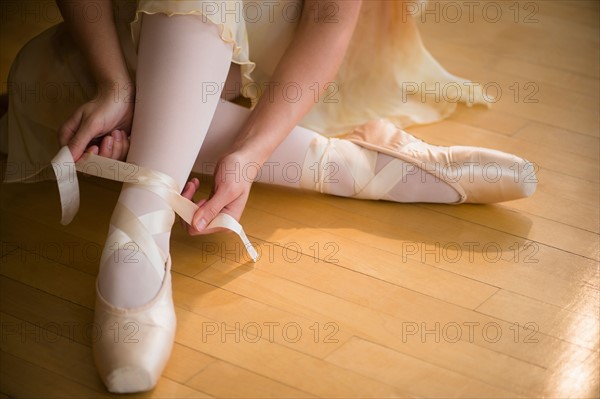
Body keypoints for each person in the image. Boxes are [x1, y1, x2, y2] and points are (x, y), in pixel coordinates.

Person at [1, 0, 536, 393]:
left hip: (273, 45)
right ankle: (362, 166)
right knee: (42, 79)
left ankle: (138, 228)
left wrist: (251, 154)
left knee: (84, 104)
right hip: (141, 30)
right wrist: (114, 85)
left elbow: (330, 17)